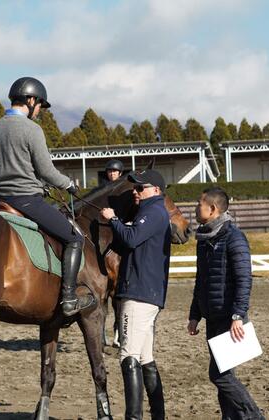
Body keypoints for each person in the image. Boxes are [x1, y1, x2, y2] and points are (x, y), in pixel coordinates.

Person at [0, 76, 94, 317]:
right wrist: (68, 184)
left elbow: (15, 167)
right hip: (27, 200)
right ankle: (68, 297)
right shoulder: (31, 129)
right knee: (74, 237)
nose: (39, 112)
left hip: (1, 200)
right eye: (40, 107)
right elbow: (46, 170)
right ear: (31, 100)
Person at [187, 187, 264, 420]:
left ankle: (254, 416)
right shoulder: (203, 240)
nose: (195, 207)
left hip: (230, 319)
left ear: (213, 209)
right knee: (223, 375)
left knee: (220, 376)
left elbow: (244, 279)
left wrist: (238, 316)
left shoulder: (234, 237)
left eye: (200, 203)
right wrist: (195, 314)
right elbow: (201, 280)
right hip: (212, 316)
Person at [100, 169, 171, 420]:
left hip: (138, 295)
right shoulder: (150, 212)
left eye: (140, 188)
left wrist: (113, 220)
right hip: (147, 294)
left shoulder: (153, 211)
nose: (135, 191)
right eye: (135, 188)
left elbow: (131, 239)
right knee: (145, 358)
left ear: (155, 191)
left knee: (128, 356)